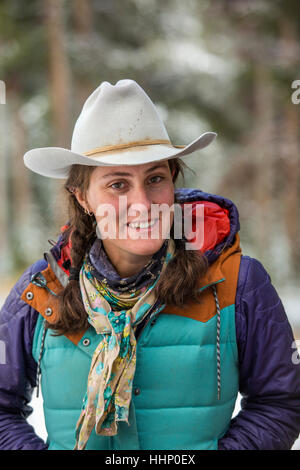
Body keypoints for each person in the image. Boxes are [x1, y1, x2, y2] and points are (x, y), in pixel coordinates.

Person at [0, 79, 300, 451]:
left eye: (155, 178)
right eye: (118, 185)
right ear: (82, 197)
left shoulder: (238, 283)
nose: (143, 203)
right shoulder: (43, 289)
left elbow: (280, 402)